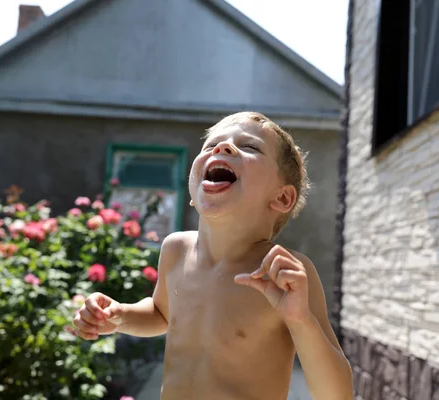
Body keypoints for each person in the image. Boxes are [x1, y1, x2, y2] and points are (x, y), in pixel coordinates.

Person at [73, 112, 353, 399]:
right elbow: (161, 314)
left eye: (250, 147)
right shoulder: (176, 250)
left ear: (281, 197)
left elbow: (337, 394)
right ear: (194, 191)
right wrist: (121, 315)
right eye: (210, 146)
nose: (223, 147)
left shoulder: (285, 274)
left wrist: (301, 320)